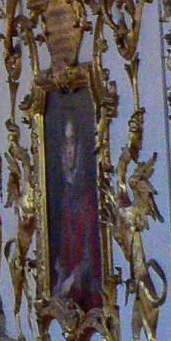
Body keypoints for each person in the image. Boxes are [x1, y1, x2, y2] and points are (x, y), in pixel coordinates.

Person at [51, 108, 101, 310]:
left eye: (73, 141)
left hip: (90, 299)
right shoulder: (66, 193)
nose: (70, 150)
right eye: (66, 142)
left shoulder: (88, 196)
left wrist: (74, 277)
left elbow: (93, 255)